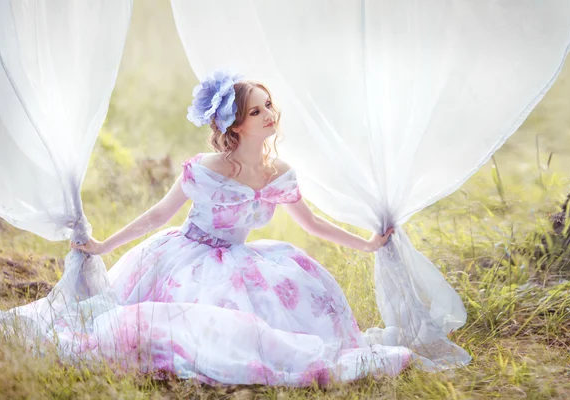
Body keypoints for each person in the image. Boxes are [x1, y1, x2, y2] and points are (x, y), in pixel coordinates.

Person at [69, 71, 408, 387]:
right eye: (256, 111)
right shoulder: (204, 168)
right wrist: (103, 246)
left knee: (294, 286)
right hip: (189, 257)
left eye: (269, 105)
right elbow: (159, 215)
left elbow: (312, 223)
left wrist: (367, 244)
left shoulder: (278, 172)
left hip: (239, 255)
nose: (269, 114)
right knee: (202, 323)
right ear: (237, 124)